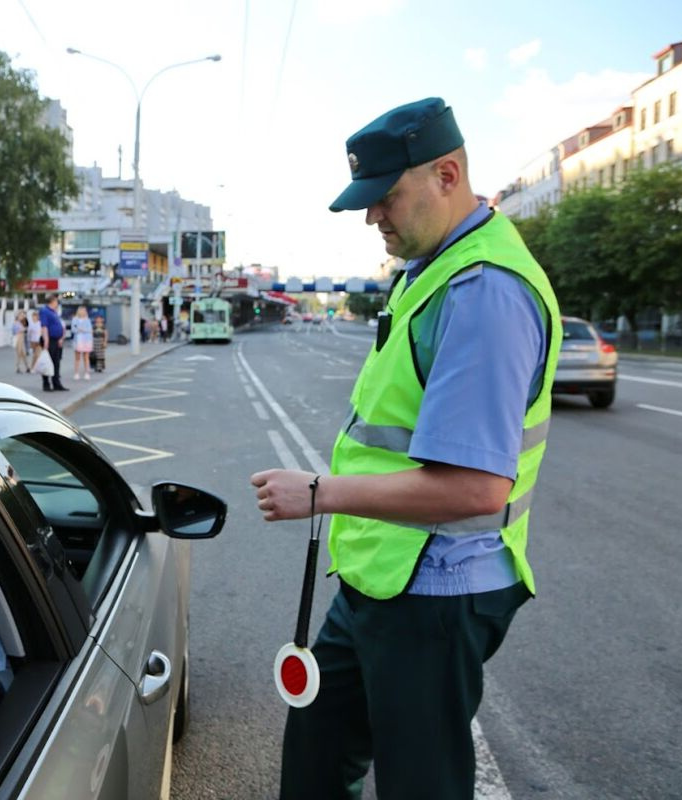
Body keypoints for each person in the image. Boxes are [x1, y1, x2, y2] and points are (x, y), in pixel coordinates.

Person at [249, 97, 562, 800]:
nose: (372, 217)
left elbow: (477, 489)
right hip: (380, 578)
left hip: (436, 593)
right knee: (315, 762)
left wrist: (320, 493)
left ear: (448, 175)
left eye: (386, 197)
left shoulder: (485, 292)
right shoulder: (434, 269)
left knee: (422, 785)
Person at [38, 294, 67, 392]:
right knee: (48, 362)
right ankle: (46, 384)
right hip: (50, 339)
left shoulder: (54, 312)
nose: (57, 303)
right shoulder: (45, 311)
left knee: (56, 362)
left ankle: (56, 383)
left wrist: (61, 338)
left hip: (56, 340)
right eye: (56, 301)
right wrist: (46, 340)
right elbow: (44, 326)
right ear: (53, 301)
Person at [70, 306, 93, 380]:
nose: (82, 312)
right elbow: (73, 329)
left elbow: (89, 330)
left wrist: (81, 329)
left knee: (86, 357)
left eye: (84, 311)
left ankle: (87, 373)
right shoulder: (75, 319)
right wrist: (79, 330)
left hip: (86, 340)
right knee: (77, 358)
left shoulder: (87, 320)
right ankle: (76, 373)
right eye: (81, 310)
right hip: (78, 340)